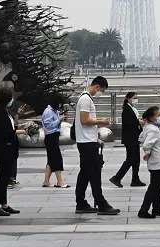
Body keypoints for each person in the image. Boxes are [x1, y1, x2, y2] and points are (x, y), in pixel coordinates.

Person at [74, 76, 119, 215]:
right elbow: (84, 120)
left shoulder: (84, 97)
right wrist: (102, 122)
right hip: (87, 144)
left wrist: (95, 139)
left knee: (85, 174)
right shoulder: (86, 99)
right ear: (97, 87)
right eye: (102, 91)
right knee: (94, 174)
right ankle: (101, 203)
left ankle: (81, 202)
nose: (100, 93)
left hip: (86, 141)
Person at [0, 87, 25, 216]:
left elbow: (10, 127)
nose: (12, 100)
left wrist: (20, 126)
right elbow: (5, 132)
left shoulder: (6, 111)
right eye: (10, 97)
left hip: (9, 149)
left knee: (5, 178)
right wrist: (20, 131)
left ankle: (4, 204)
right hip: (3, 149)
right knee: (1, 178)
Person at [138, 106, 160, 219]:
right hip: (157, 162)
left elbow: (141, 138)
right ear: (152, 117)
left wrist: (149, 152)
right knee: (155, 187)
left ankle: (157, 208)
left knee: (159, 186)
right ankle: (143, 210)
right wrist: (147, 152)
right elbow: (146, 143)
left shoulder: (152, 127)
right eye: (159, 115)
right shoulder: (152, 129)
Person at [111, 91, 144, 188]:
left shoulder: (132, 109)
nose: (135, 99)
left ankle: (135, 179)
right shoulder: (126, 110)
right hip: (130, 138)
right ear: (128, 99)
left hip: (135, 137)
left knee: (136, 159)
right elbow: (128, 123)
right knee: (130, 159)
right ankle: (117, 177)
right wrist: (138, 122)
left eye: (136, 98)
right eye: (134, 98)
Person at [42, 93, 69, 188]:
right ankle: (60, 181)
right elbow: (48, 126)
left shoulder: (54, 111)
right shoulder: (48, 111)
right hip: (50, 137)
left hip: (54, 136)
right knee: (56, 158)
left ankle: (46, 181)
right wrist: (59, 120)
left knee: (51, 159)